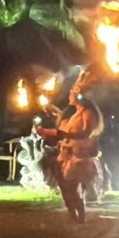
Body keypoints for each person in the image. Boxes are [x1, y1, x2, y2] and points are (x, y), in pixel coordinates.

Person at [37, 69, 103, 224]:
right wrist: (47, 130)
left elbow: (84, 133)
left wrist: (61, 135)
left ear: (79, 96)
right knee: (65, 189)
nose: (69, 95)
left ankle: (80, 218)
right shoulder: (74, 115)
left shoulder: (87, 113)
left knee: (72, 188)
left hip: (78, 157)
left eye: (72, 93)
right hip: (66, 155)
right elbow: (63, 130)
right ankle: (74, 216)